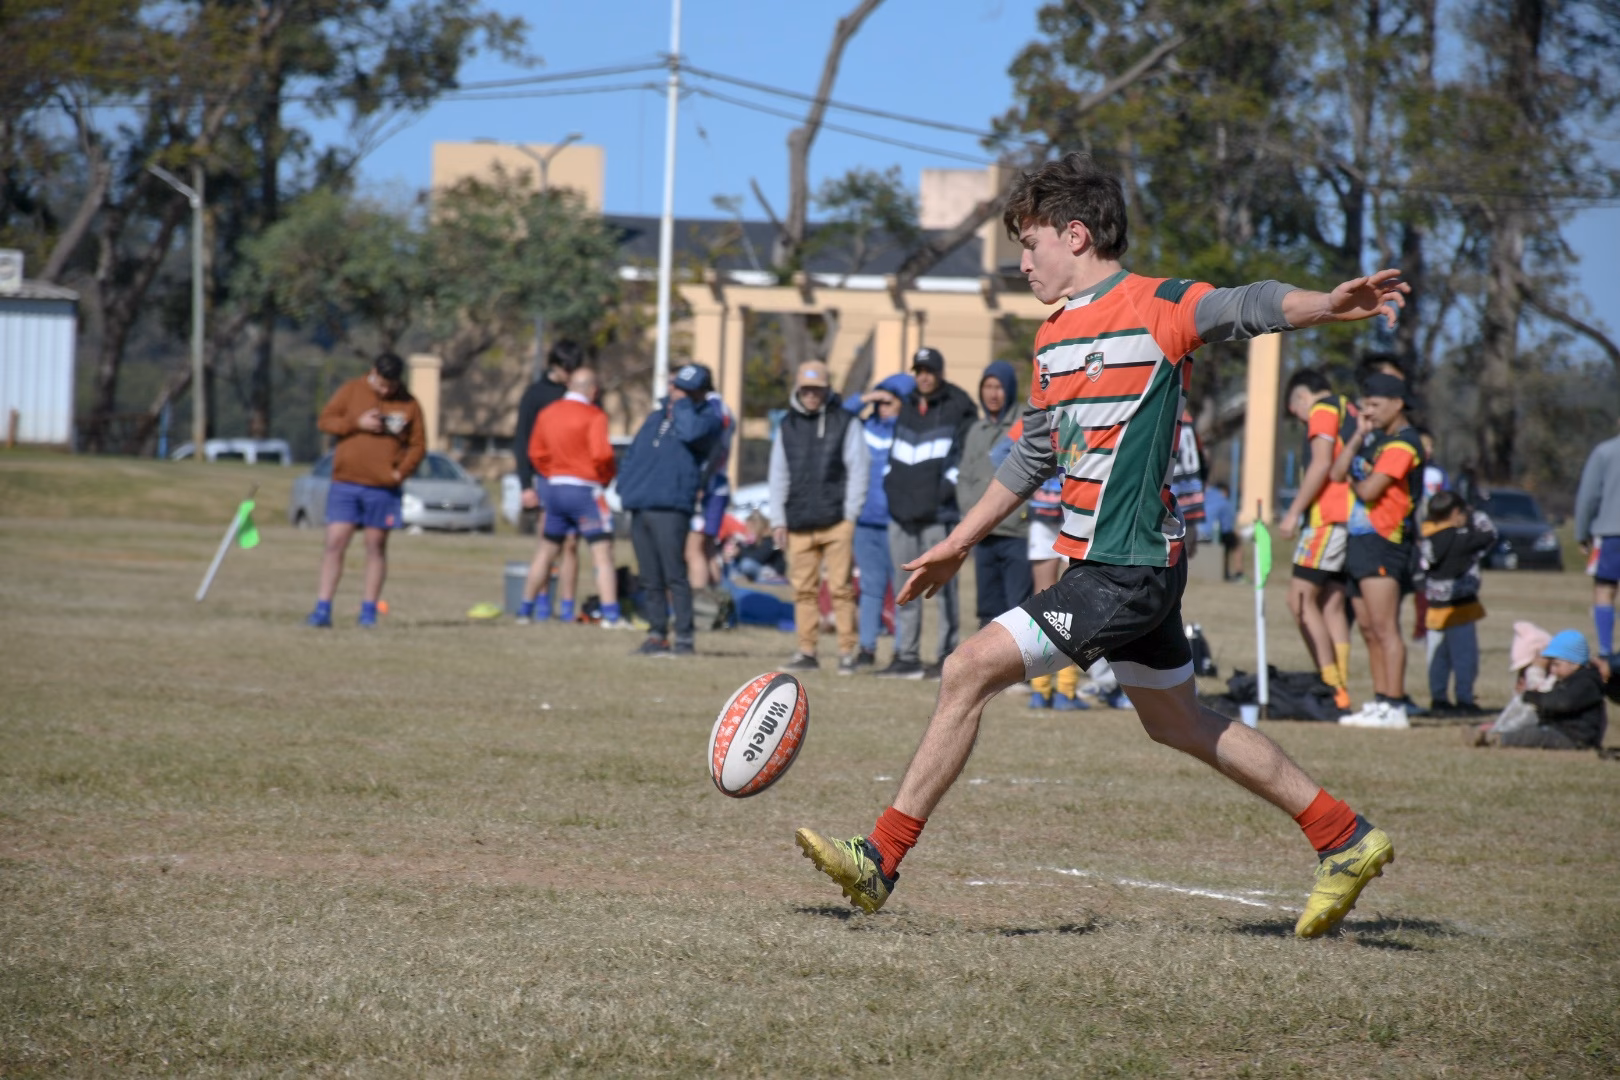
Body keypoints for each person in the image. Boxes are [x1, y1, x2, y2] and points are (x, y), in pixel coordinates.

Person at [793, 151, 1407, 939]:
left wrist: (1327, 302)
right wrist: (957, 541)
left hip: (1129, 565)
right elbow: (1034, 455)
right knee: (1177, 721)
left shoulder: (1157, 306)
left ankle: (879, 856)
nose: (1021, 263)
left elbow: (1244, 306)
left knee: (966, 668)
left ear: (1076, 235)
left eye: (1030, 243)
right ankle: (1345, 838)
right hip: (1113, 563)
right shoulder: (1050, 341)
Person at [1330, 373, 1424, 729]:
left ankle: (1396, 704)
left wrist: (1358, 480)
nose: (1367, 412)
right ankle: (1380, 700)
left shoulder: (1404, 444)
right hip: (1360, 540)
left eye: (1374, 405)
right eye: (1364, 405)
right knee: (1367, 627)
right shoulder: (1374, 441)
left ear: (1397, 404)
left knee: (1386, 628)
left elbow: (1369, 491)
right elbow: (1338, 473)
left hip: (1387, 541)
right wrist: (1357, 435)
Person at [306, 352, 425, 628]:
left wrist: (399, 472)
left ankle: (368, 611)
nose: (385, 390)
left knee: (375, 546)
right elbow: (326, 421)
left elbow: (418, 446)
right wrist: (355, 423)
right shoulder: (351, 391)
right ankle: (323, 609)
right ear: (373, 372)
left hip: (383, 488)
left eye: (391, 385)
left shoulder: (409, 404)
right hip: (346, 482)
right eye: (382, 384)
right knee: (335, 542)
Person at [879, 346, 976, 679]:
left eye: (928, 370)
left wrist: (943, 495)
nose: (923, 376)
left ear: (939, 373)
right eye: (918, 370)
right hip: (902, 515)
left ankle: (945, 658)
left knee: (944, 589)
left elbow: (964, 458)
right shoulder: (906, 407)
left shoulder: (959, 406)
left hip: (938, 516)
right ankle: (906, 656)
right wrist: (891, 486)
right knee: (905, 588)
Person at [767, 362, 869, 674]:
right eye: (806, 390)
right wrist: (777, 520)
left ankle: (846, 653)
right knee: (803, 591)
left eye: (817, 389)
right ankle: (807, 652)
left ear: (827, 389)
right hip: (798, 522)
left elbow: (858, 470)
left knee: (841, 589)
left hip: (837, 520)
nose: (812, 395)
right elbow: (778, 475)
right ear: (799, 390)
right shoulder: (787, 425)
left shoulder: (846, 422)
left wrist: (851, 515)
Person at [617, 363, 725, 657]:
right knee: (650, 576)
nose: (676, 392)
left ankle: (685, 638)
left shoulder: (708, 418)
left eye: (686, 390)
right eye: (675, 386)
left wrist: (683, 406)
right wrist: (624, 487)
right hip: (641, 504)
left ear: (701, 393)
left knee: (674, 574)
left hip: (672, 507)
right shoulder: (655, 417)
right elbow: (634, 454)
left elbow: (691, 434)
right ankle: (656, 635)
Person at [518, 368, 628, 629]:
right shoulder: (594, 416)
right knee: (602, 551)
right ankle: (611, 614)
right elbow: (602, 455)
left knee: (546, 550)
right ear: (592, 390)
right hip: (584, 490)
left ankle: (525, 610)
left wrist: (551, 472)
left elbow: (535, 451)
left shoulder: (547, 413)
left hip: (553, 489)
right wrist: (604, 477)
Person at [1279, 368, 1358, 713]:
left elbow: (1321, 464)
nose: (1300, 419)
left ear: (1300, 396)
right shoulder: (1349, 408)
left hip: (1327, 517)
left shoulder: (1323, 410)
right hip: (1353, 519)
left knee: (1298, 600)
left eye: (1295, 412)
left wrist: (1295, 510)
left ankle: (1331, 686)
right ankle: (1339, 688)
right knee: (1331, 604)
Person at [845, 373, 915, 669]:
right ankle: (866, 647)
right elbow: (839, 414)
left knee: (901, 589)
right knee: (870, 588)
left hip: (897, 522)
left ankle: (902, 650)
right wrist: (866, 398)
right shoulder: (865, 427)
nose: (883, 406)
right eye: (880, 400)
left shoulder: (909, 430)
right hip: (865, 521)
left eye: (890, 400)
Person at [512, 341, 585, 618]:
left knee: (571, 544)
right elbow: (522, 440)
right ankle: (542, 603)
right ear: (556, 366)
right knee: (548, 542)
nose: (571, 374)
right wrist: (525, 484)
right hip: (546, 478)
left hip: (576, 479)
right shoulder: (536, 394)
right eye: (568, 369)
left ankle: (567, 606)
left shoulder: (580, 394)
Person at [958, 361, 1033, 629]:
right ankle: (988, 667)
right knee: (987, 606)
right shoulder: (976, 431)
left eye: (998, 387)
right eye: (988, 387)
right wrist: (972, 513)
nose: (993, 393)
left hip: (1018, 532)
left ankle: (1017, 669)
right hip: (984, 532)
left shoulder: (1025, 423)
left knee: (1017, 607)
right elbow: (964, 476)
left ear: (1009, 389)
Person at [1418, 491, 1496, 716]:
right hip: (1461, 608)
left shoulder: (1427, 539)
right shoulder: (1462, 538)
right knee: (1464, 658)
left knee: (1437, 657)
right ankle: (1464, 699)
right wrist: (1474, 513)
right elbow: (1490, 534)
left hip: (1435, 608)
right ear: (1455, 513)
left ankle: (1439, 699)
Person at [1475, 631, 1606, 750]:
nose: (1553, 670)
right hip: (1561, 730)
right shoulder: (1568, 681)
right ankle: (1491, 733)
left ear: (1575, 664)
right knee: (1532, 729)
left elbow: (1562, 703)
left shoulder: (1586, 684)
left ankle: (1497, 739)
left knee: (1535, 735)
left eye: (1557, 665)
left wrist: (1534, 697)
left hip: (1576, 738)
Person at [686, 368, 735, 595]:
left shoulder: (713, 409)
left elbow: (714, 451)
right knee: (707, 548)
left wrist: (701, 483)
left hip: (709, 487)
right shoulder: (722, 408)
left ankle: (699, 606)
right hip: (717, 485)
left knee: (693, 549)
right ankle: (719, 604)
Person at [1574, 422, 1620, 662]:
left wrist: (1581, 532)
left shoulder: (1605, 451)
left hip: (1610, 531)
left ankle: (1605, 650)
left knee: (1604, 590)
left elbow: (1588, 496)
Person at [1169, 406, 1206, 558]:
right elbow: (1200, 453)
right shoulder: (1188, 417)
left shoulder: (1168, 411)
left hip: (1173, 482)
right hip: (1191, 484)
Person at [1203, 481, 1241, 582]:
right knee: (1236, 541)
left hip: (1195, 531)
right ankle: (1239, 572)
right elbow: (1227, 527)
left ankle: (1226, 570)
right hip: (1211, 534)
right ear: (1224, 491)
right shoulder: (1224, 502)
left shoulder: (1205, 496)